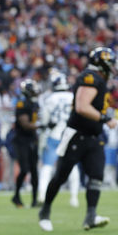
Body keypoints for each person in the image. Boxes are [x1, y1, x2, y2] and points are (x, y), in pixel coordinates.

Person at [38, 47, 117, 232]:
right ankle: (45, 211)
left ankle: (90, 216)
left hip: (94, 136)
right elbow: (82, 106)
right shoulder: (90, 77)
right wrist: (105, 118)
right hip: (76, 135)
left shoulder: (99, 79)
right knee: (61, 175)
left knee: (96, 176)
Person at [37, 71, 80, 207]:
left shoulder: (50, 99)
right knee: (72, 167)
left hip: (54, 134)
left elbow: (44, 120)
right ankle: (74, 197)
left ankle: (42, 194)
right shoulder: (73, 97)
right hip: (70, 135)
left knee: (47, 166)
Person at [11, 79, 40, 208]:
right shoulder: (22, 103)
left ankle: (34, 200)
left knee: (34, 170)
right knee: (24, 169)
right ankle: (16, 195)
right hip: (22, 140)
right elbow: (25, 124)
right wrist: (42, 125)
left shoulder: (34, 103)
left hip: (32, 140)